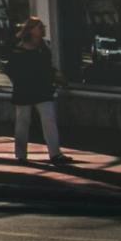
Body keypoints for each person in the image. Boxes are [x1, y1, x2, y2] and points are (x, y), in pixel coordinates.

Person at [6, 16, 71, 166]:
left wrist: (54, 76)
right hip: (26, 89)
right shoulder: (19, 50)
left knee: (49, 119)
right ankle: (21, 154)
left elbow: (46, 67)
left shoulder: (44, 47)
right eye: (39, 27)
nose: (43, 29)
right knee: (23, 121)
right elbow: (10, 69)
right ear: (31, 30)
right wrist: (20, 81)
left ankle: (55, 153)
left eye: (42, 27)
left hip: (42, 89)